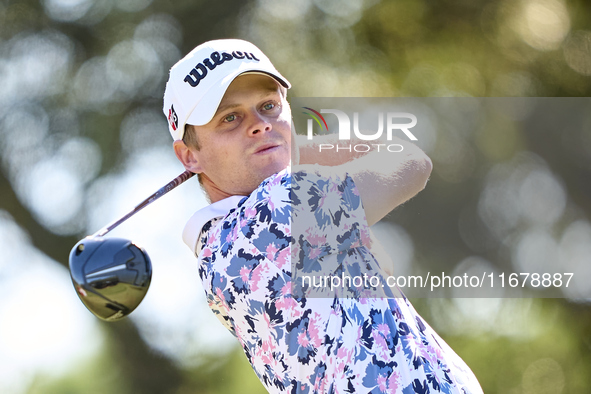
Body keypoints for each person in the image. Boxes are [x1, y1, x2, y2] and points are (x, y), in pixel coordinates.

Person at [163, 39, 483, 393]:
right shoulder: (276, 207)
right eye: (231, 118)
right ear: (189, 156)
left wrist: (278, 148)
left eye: (269, 106)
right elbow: (410, 161)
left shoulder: (215, 256)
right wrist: (295, 146)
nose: (260, 124)